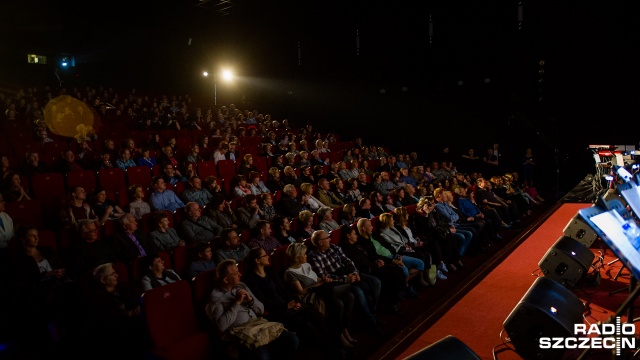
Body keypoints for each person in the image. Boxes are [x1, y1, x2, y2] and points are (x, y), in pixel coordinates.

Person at [205, 259, 299, 359]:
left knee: (293, 340)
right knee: (263, 356)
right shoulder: (216, 297)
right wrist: (236, 303)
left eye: (238, 271)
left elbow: (261, 310)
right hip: (240, 333)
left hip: (258, 324)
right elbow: (221, 326)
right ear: (226, 280)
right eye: (235, 273)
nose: (240, 274)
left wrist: (250, 300)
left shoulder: (241, 285)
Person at [243, 248, 329, 348]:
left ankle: (330, 344)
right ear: (257, 260)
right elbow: (263, 300)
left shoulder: (270, 270)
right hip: (275, 310)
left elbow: (283, 289)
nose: (268, 256)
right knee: (306, 323)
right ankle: (328, 348)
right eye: (264, 255)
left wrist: (293, 302)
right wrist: (286, 305)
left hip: (288, 303)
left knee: (319, 317)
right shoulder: (250, 279)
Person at [308, 229, 383, 335]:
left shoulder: (334, 247)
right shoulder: (314, 257)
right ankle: (371, 321)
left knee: (376, 282)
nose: (330, 239)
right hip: (339, 281)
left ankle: (372, 313)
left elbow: (348, 261)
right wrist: (345, 278)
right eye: (327, 238)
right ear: (320, 242)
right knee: (358, 292)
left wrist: (355, 272)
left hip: (350, 272)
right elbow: (324, 276)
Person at [285, 242, 356, 349]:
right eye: (304, 254)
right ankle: (339, 335)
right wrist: (318, 284)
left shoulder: (307, 265)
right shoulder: (290, 272)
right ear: (297, 257)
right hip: (311, 296)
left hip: (321, 290)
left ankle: (344, 329)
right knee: (339, 304)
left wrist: (323, 280)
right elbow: (301, 291)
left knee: (350, 296)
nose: (306, 255)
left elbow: (316, 279)